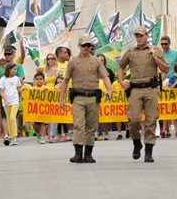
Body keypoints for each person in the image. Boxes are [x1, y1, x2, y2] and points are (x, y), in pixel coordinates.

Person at [59, 35, 113, 163]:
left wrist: (109, 89)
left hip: (93, 97)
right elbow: (65, 80)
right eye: (84, 45)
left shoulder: (96, 61)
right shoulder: (73, 61)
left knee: (91, 126)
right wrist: (61, 98)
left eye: (89, 45)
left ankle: (88, 153)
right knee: (79, 125)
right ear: (79, 46)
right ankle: (78, 153)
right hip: (78, 97)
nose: (87, 48)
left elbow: (105, 76)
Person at [118, 26, 168, 162]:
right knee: (133, 119)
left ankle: (148, 151)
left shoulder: (155, 50)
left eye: (141, 35)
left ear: (147, 36)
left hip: (151, 88)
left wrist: (155, 57)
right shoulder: (130, 52)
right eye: (137, 36)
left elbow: (166, 68)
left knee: (151, 120)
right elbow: (121, 67)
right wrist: (121, 81)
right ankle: (136, 142)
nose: (139, 38)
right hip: (135, 89)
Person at [0, 63, 23, 146]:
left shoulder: (16, 78)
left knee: (12, 118)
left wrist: (21, 92)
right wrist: (5, 100)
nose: (15, 71)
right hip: (6, 102)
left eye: (16, 69)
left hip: (15, 101)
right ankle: (11, 137)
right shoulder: (3, 79)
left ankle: (14, 136)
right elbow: (1, 91)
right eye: (14, 69)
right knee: (9, 119)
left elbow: (18, 88)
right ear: (9, 69)